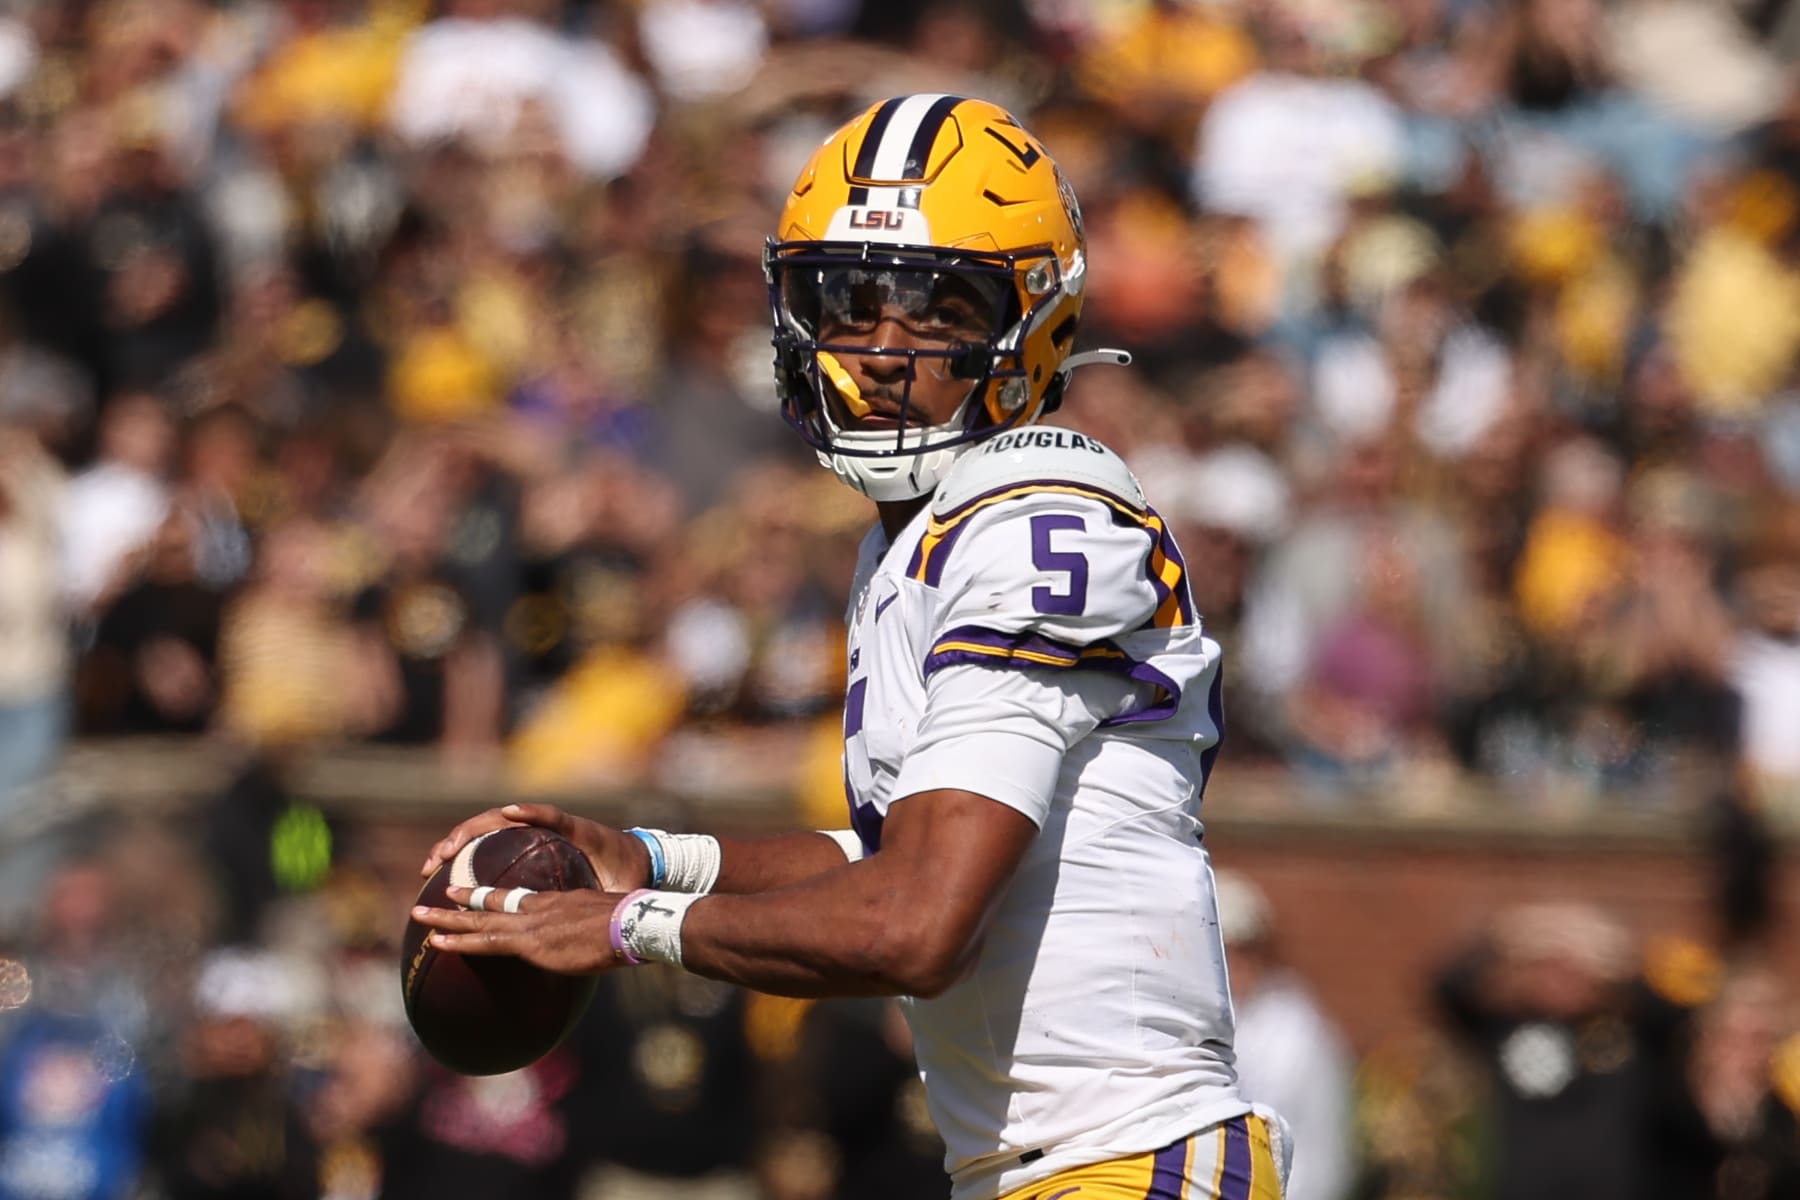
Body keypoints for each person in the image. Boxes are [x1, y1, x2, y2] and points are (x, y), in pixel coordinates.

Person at [413, 94, 1289, 1200]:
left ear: (1035, 323)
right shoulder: (926, 529)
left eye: (938, 310)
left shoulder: (1034, 515)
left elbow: (917, 924)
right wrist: (655, 856)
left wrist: (629, 926)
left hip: (1126, 1161)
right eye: (851, 299)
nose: (880, 350)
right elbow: (892, 854)